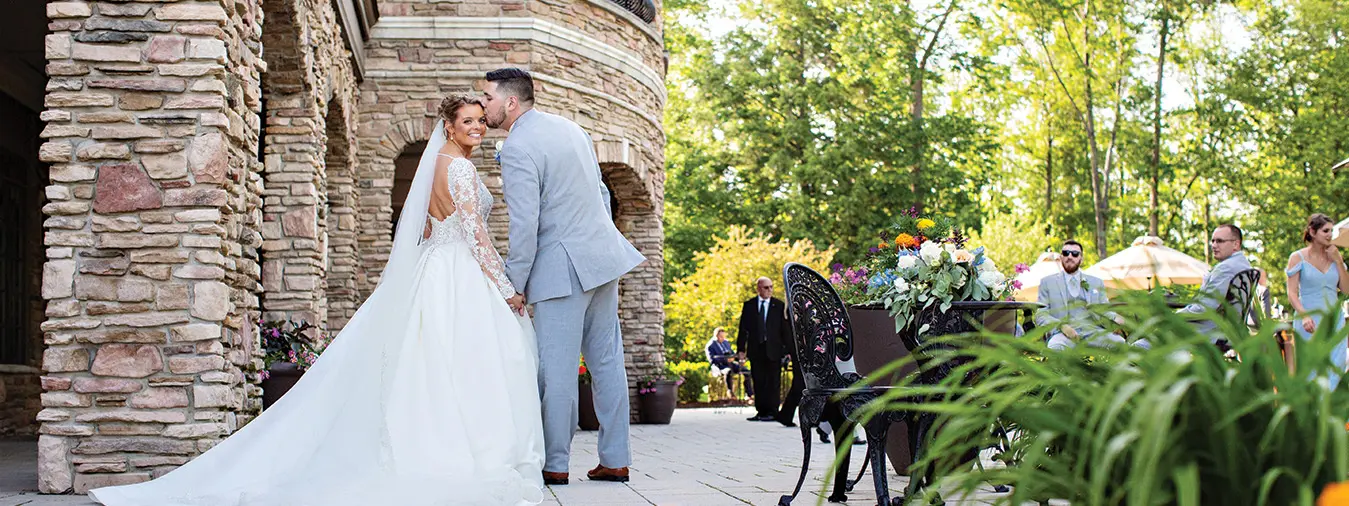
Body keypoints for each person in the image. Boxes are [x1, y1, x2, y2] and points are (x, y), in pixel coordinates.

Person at [89, 96, 546, 505]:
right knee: (466, 361)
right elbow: (475, 233)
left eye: (481, 121)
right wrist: (507, 288)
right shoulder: (461, 167)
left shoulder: (437, 165)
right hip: (458, 273)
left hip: (434, 270)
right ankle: (459, 448)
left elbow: (426, 229)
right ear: (448, 126)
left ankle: (426, 439)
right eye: (468, 121)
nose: (478, 127)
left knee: (430, 361)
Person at [485, 68, 646, 486]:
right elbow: (601, 192)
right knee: (607, 362)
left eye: (488, 97)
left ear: (511, 103)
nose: (484, 105)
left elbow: (525, 224)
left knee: (556, 372)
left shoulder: (518, 147)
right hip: (602, 259)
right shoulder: (571, 129)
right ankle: (616, 459)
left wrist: (514, 283)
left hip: (560, 270)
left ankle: (554, 463)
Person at [1035, 240, 1148, 350]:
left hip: (1094, 332)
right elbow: (1040, 315)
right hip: (1062, 335)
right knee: (1055, 348)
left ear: (1081, 259)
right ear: (1061, 257)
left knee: (1120, 344)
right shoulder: (1047, 282)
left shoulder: (1096, 282)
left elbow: (1103, 309)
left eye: (1075, 254)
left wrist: (1115, 317)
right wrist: (1061, 326)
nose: (1070, 256)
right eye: (1066, 253)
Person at [1286, 213, 1349, 382]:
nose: (1330, 235)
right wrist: (1304, 315)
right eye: (1325, 231)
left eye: (1331, 231)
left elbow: (1346, 289)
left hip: (1334, 319)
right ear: (1312, 233)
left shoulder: (1335, 257)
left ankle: (1331, 407)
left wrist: (1338, 260)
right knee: (1310, 368)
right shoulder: (1297, 257)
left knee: (1337, 365)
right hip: (1309, 321)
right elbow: (1291, 293)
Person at [1178, 224, 1254, 339]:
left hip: (1208, 331)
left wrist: (1174, 316)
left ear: (1236, 244)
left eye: (1219, 241)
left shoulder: (1226, 268)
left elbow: (1205, 307)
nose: (1213, 245)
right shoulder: (1244, 265)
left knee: (1144, 344)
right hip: (1230, 331)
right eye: (1212, 241)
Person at [737, 277, 790, 422]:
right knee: (758, 380)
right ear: (759, 289)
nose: (769, 290)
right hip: (756, 349)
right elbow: (743, 329)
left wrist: (788, 350)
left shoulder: (778, 305)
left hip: (774, 349)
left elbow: (785, 330)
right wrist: (741, 349)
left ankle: (773, 412)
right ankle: (761, 411)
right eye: (766, 287)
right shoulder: (749, 305)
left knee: (773, 381)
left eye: (771, 287)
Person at [706, 327, 753, 399]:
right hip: (720, 366)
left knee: (747, 372)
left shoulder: (726, 343)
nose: (722, 338)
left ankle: (749, 394)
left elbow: (732, 353)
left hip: (731, 364)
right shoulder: (710, 345)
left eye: (723, 336)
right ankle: (730, 392)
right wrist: (725, 360)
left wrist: (740, 359)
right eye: (721, 336)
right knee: (728, 371)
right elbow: (712, 359)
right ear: (716, 336)